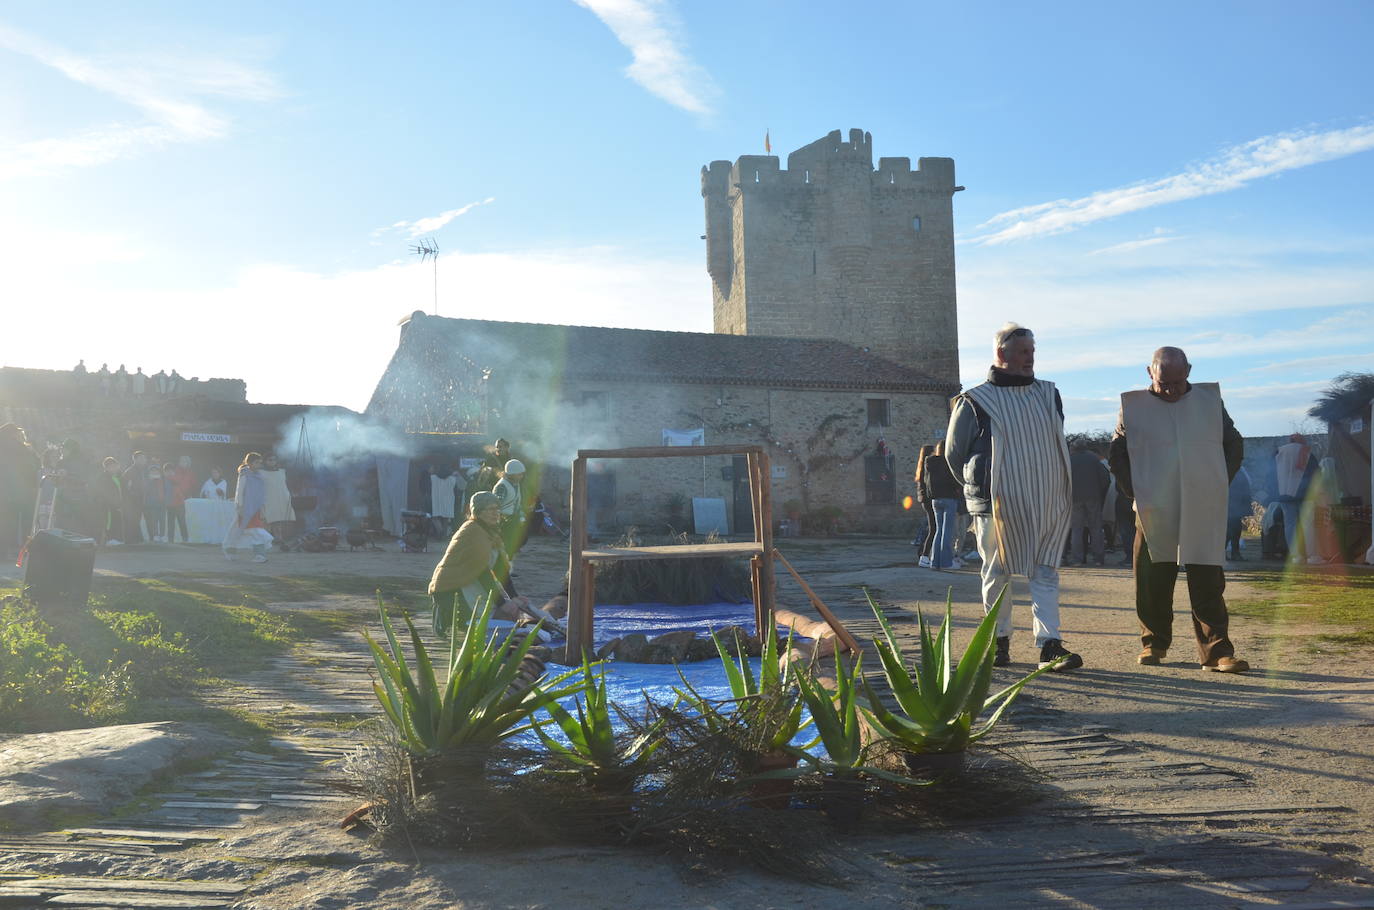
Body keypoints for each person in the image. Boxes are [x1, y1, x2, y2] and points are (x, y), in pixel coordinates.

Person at [945, 323, 1082, 670]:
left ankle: (1050, 645)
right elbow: (953, 454)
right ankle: (998, 642)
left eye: (1032, 352)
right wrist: (982, 487)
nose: (1030, 359)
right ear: (1002, 354)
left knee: (1045, 570)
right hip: (996, 504)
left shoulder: (1049, 394)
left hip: (1045, 498)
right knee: (997, 572)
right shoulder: (974, 401)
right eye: (1023, 352)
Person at [1108, 346, 1249, 673]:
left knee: (1207, 577)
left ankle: (1217, 651)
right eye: (1163, 383)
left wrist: (1218, 482)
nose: (1171, 390)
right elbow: (1117, 454)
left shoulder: (1209, 402)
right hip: (1152, 507)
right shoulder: (1133, 408)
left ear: (1189, 371)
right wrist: (1138, 491)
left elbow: (1233, 443)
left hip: (1202, 502)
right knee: (1151, 577)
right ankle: (1153, 644)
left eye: (1177, 382)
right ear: (1149, 373)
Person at [428, 491, 523, 637]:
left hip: (469, 583)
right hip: (451, 589)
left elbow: (500, 569)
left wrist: (514, 596)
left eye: (497, 509)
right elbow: (482, 573)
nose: (496, 513)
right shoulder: (472, 531)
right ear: (478, 512)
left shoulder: (490, 533)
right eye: (490, 509)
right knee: (469, 631)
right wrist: (502, 603)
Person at [223, 453, 272, 563]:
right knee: (240, 531)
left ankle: (259, 554)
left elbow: (261, 494)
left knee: (252, 531)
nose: (259, 465)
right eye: (256, 462)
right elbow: (239, 492)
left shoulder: (260, 476)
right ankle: (232, 553)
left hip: (255, 509)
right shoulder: (244, 475)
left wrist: (263, 508)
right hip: (245, 508)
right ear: (249, 463)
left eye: (260, 462)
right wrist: (239, 507)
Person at [0, 424, 40, 558]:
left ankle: (6, 550)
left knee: (7, 521)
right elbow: (34, 465)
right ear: (12, 434)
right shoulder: (22, 448)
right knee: (25, 521)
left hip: (6, 491)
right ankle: (23, 549)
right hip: (22, 490)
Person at [1069, 441, 1110, 566]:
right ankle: (1098, 559)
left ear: (1074, 448)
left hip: (1075, 498)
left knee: (1077, 529)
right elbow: (1105, 478)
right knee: (1096, 528)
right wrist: (1099, 492)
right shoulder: (1094, 458)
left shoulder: (1070, 459)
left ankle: (1077, 559)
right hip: (1093, 497)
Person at [1273, 434, 1314, 561]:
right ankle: (1309, 554)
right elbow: (1315, 473)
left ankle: (1296, 555)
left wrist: (1275, 493)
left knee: (1290, 526)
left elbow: (1271, 473)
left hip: (1284, 494)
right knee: (1307, 525)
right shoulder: (1305, 451)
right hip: (1304, 495)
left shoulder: (1279, 451)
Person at [924, 441, 963, 570]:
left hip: (935, 500)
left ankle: (935, 562)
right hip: (949, 498)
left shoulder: (929, 462)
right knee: (947, 532)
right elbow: (955, 480)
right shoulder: (949, 462)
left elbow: (927, 481)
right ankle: (946, 562)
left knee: (938, 531)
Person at [493, 459, 529, 555]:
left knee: (523, 537)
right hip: (504, 519)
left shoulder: (516, 484)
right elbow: (496, 504)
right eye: (519, 474)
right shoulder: (502, 486)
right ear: (511, 474)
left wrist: (521, 515)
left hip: (513, 517)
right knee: (508, 540)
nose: (521, 476)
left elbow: (517, 502)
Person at [259, 453, 297, 543]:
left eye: (274, 460)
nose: (272, 462)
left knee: (278, 519)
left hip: (281, 497)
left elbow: (285, 484)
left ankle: (278, 538)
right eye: (270, 460)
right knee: (267, 519)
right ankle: (266, 539)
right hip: (267, 498)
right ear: (265, 461)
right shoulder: (261, 472)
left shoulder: (281, 471)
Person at [912, 444, 937, 568]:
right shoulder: (928, 466)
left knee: (932, 528)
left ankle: (923, 552)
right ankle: (924, 555)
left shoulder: (921, 466)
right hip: (928, 500)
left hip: (924, 500)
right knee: (934, 528)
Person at [95, 457, 124, 546]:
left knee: (117, 521)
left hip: (117, 505)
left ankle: (116, 538)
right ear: (106, 468)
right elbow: (105, 493)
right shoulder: (103, 478)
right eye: (111, 466)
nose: (114, 468)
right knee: (109, 522)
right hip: (108, 506)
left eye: (115, 466)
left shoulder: (117, 477)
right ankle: (110, 538)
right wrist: (114, 504)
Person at [1226, 465, 1253, 561]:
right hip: (1231, 502)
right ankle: (1230, 552)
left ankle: (1234, 552)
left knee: (1235, 528)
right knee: (1231, 529)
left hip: (1236, 502)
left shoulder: (1239, 470)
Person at [121, 451, 149, 543]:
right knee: (133, 520)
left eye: (144, 458)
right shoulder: (130, 471)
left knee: (137, 520)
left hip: (141, 500)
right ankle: (132, 540)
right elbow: (126, 487)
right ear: (135, 459)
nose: (144, 460)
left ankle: (136, 539)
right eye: (141, 458)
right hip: (133, 501)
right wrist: (133, 495)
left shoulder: (144, 471)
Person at [166, 456, 195, 543]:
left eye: (185, 461)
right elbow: (174, 480)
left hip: (181, 500)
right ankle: (170, 540)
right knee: (171, 522)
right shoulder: (175, 471)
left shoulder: (190, 473)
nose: (183, 463)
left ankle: (185, 538)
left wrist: (189, 494)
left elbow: (193, 484)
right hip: (172, 500)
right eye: (181, 461)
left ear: (188, 463)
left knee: (182, 521)